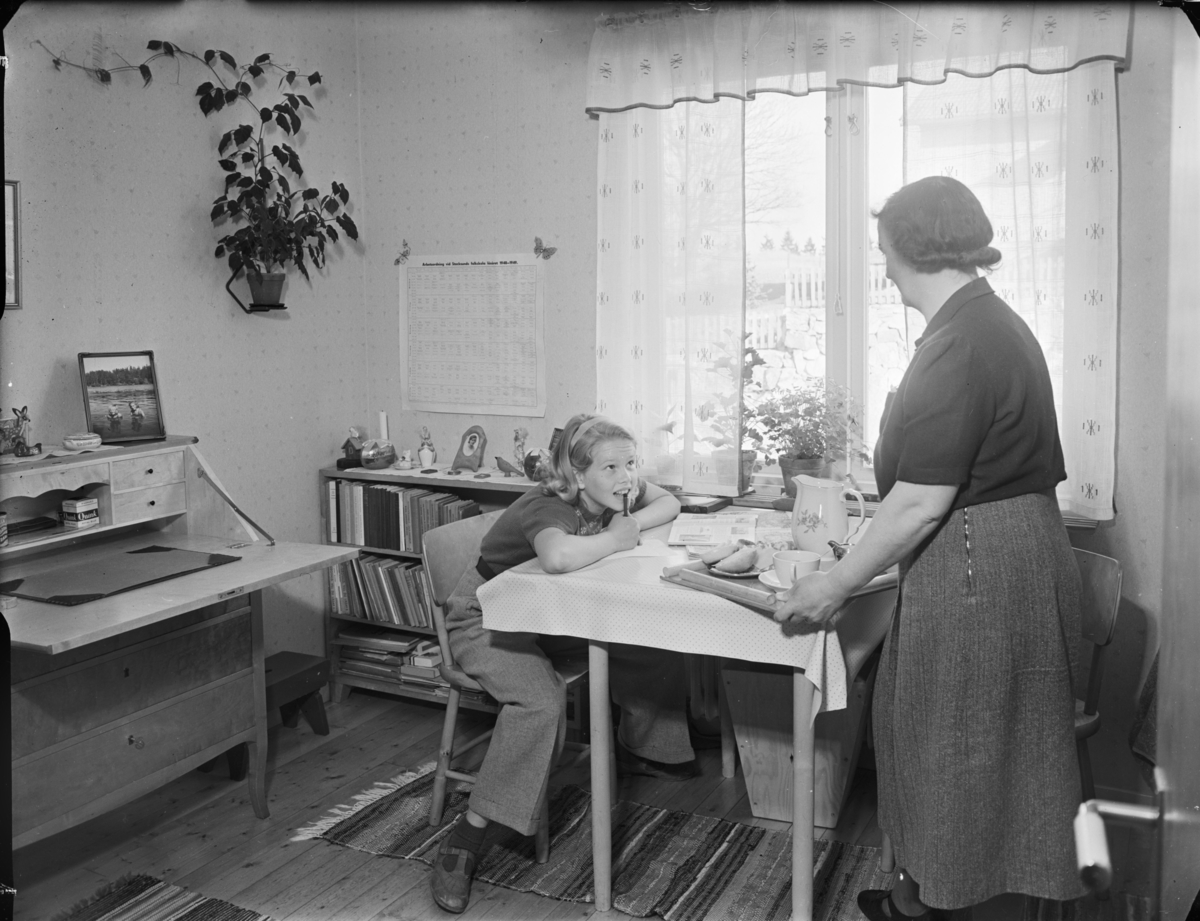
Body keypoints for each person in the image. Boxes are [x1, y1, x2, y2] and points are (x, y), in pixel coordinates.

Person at [773, 177, 1082, 920]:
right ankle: (925, 898)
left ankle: (946, 904)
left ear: (914, 248)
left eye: (884, 250)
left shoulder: (962, 341)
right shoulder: (983, 324)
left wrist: (834, 585)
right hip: (1000, 551)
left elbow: (920, 500)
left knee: (960, 744)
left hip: (979, 561)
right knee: (942, 734)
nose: (883, 267)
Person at [431, 413, 696, 914]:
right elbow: (555, 558)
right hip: (485, 619)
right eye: (612, 467)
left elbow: (669, 502)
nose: (627, 477)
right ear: (577, 474)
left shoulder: (614, 488)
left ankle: (646, 750)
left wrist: (628, 523)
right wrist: (616, 539)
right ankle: (466, 838)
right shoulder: (548, 503)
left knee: (650, 637)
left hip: (546, 616)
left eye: (631, 464)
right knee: (541, 701)